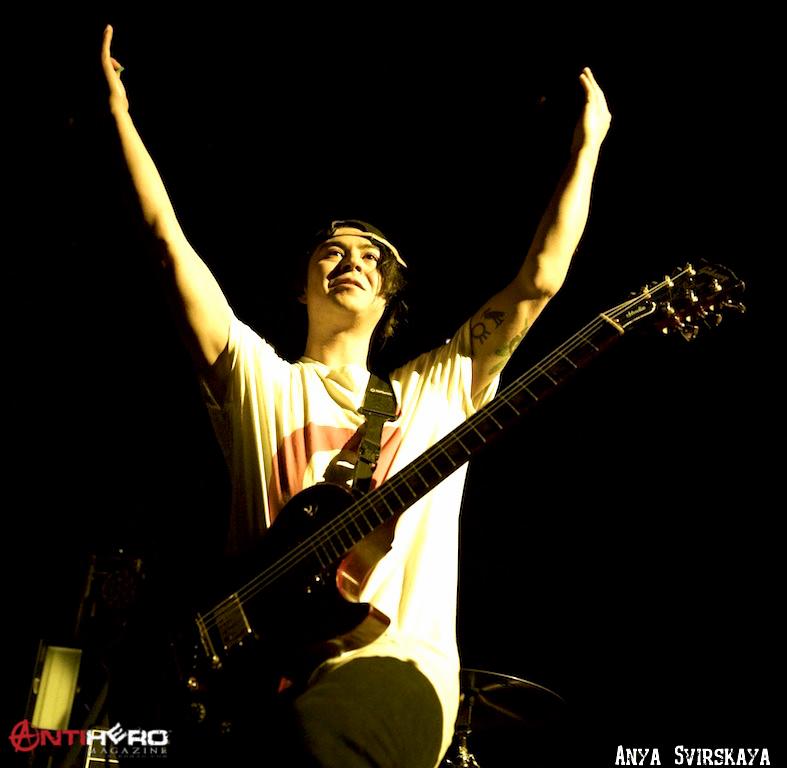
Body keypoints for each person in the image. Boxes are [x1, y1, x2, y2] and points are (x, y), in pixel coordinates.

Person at [100, 23, 610, 768]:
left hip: (393, 665)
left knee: (323, 739)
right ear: (302, 284)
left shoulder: (438, 386)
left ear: (388, 298)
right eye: (331, 250)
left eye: (373, 257)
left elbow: (538, 280)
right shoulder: (258, 378)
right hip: (254, 681)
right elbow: (163, 240)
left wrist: (586, 147)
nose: (351, 260)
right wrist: (117, 114)